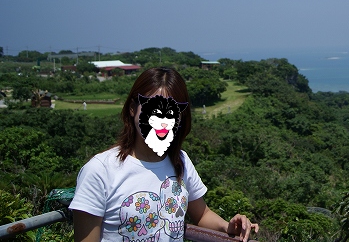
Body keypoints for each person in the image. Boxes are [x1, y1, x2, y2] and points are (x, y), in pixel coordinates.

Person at [70, 67, 258, 242]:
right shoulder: (100, 171)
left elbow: (202, 214)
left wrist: (228, 227)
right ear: (132, 108)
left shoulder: (180, 161)